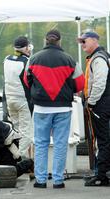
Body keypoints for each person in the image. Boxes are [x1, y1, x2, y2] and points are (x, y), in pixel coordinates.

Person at [24, 29, 85, 188]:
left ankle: (40, 180)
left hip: (41, 107)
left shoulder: (33, 59)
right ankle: (58, 181)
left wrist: (37, 91)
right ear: (60, 41)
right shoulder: (70, 60)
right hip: (63, 108)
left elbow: (26, 79)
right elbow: (80, 84)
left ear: (45, 41)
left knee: (41, 143)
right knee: (60, 143)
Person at [77, 31, 110, 186]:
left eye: (84, 41)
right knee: (101, 139)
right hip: (102, 103)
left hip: (100, 104)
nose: (82, 44)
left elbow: (99, 83)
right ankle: (100, 172)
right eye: (80, 41)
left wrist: (91, 102)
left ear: (94, 40)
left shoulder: (99, 59)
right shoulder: (98, 57)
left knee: (102, 140)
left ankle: (102, 176)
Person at [3, 36, 34, 159]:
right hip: (23, 100)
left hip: (10, 99)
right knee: (27, 132)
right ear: (26, 47)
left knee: (15, 131)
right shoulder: (27, 61)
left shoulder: (6, 59)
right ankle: (19, 157)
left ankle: (14, 155)